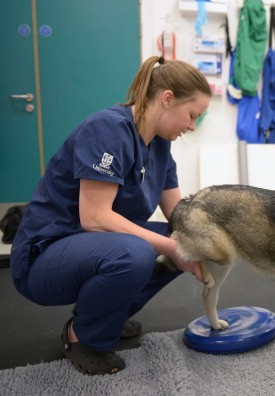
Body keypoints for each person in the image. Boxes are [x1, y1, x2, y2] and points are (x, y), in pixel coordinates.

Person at [10, 56, 210, 375]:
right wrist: (170, 247)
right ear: (167, 98)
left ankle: (106, 316)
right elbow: (95, 218)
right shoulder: (108, 130)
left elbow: (178, 213)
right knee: (142, 251)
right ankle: (82, 337)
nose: (192, 126)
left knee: (183, 241)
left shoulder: (160, 146)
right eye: (192, 115)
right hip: (42, 257)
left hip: (89, 248)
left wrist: (210, 240)